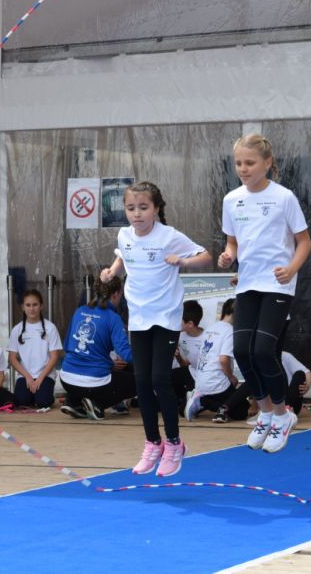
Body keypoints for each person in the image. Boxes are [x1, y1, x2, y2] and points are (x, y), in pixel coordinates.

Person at [101, 181, 211, 477]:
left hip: (165, 317)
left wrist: (183, 260)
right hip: (138, 318)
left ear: (156, 209)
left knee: (160, 378)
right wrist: (113, 270)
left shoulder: (169, 236)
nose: (136, 214)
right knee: (141, 382)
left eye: (143, 208)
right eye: (131, 208)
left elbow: (205, 256)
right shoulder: (124, 235)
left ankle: (175, 443)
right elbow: (123, 255)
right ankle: (153, 443)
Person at [218, 134, 311, 451]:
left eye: (250, 162)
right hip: (247, 284)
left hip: (277, 285)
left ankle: (283, 415)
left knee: (262, 351)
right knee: (242, 351)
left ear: (267, 163)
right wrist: (228, 255)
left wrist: (292, 268)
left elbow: (304, 241)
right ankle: (265, 412)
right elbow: (232, 242)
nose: (243, 169)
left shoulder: (284, 197)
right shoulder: (231, 200)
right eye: (238, 163)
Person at [59, 277, 135, 420]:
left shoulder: (80, 310)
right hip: (93, 382)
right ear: (117, 294)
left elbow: (67, 344)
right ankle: (98, 404)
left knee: (108, 371)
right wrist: (149, 358)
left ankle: (74, 401)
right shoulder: (113, 318)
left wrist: (107, 363)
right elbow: (126, 354)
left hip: (66, 379)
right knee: (136, 381)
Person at [184, 298, 243, 425]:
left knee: (229, 402)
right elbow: (223, 360)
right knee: (241, 411)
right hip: (217, 383)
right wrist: (232, 377)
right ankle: (202, 402)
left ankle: (201, 400)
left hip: (200, 382)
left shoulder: (210, 328)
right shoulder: (230, 331)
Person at [213, 350, 310, 424]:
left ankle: (286, 409)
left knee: (300, 374)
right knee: (252, 380)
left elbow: (307, 372)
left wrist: (307, 386)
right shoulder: (258, 360)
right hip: (269, 402)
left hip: (289, 400)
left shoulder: (284, 356)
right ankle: (223, 409)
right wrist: (255, 405)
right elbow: (257, 385)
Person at [7, 290, 62, 409]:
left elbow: (54, 356)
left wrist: (41, 377)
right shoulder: (17, 329)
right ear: (23, 307)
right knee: (21, 401)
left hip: (45, 375)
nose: (32, 309)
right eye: (28, 305)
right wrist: (27, 376)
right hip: (25, 376)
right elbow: (12, 358)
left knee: (43, 402)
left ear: (41, 306)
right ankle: (32, 394)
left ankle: (46, 396)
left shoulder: (50, 328)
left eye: (35, 305)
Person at [172, 300, 203, 412]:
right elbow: (184, 365)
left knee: (182, 411)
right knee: (165, 377)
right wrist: (178, 356)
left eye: (179, 319)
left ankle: (199, 401)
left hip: (204, 379)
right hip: (190, 373)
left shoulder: (207, 337)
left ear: (190, 324)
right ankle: (181, 399)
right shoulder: (180, 336)